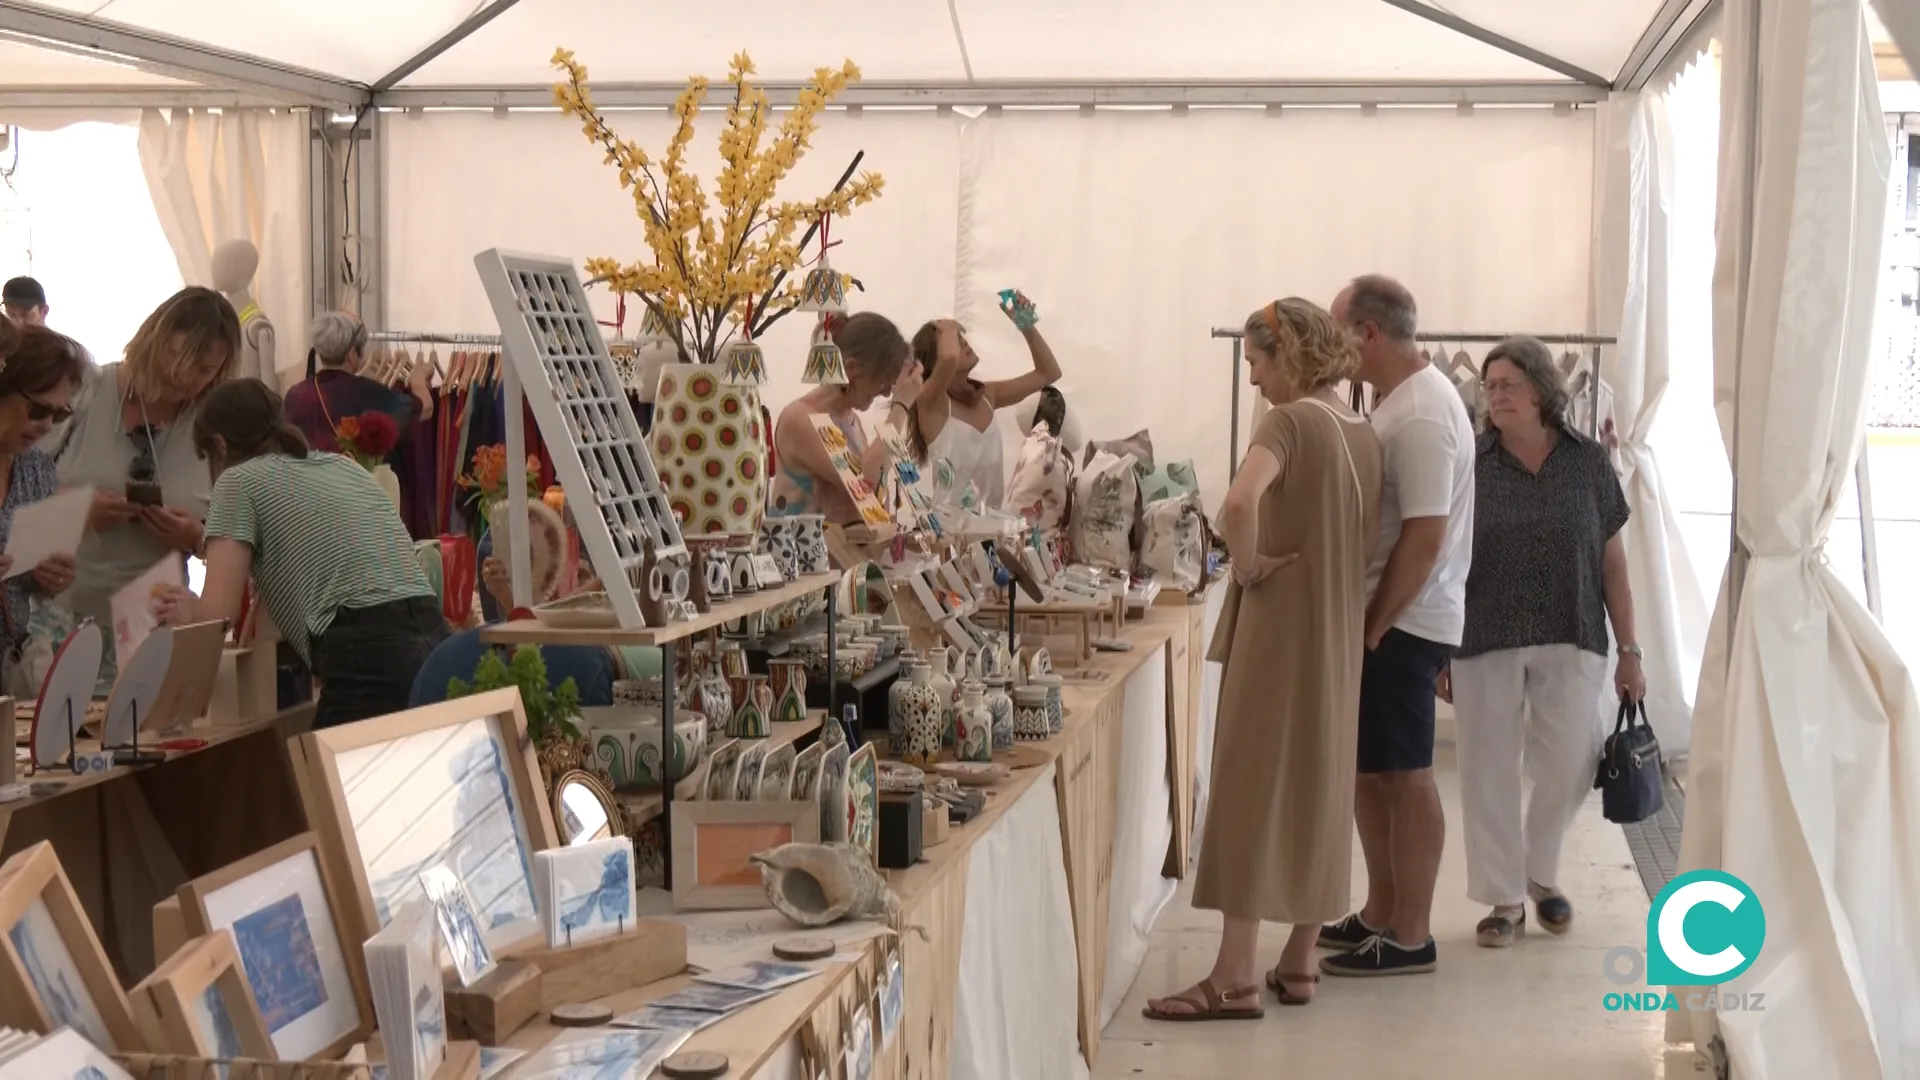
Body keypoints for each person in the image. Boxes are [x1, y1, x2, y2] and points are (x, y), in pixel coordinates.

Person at [1144, 299, 1382, 1020]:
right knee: (1321, 782)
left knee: (1250, 783)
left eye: (1256, 362)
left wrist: (1244, 568)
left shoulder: (1289, 421)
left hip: (1282, 624)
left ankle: (1234, 975)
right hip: (1339, 630)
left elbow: (1239, 504)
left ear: (1287, 355)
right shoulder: (1360, 428)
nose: (1252, 380)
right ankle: (1300, 958)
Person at [1448, 336, 1642, 947]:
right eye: (1490, 385)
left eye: (1508, 384)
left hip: (1573, 627)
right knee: (1486, 768)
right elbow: (1444, 558)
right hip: (1484, 631)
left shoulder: (1587, 462)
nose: (1495, 396)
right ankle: (1506, 898)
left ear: (1541, 391)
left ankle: (1538, 870)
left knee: (1571, 763)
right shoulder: (1470, 463)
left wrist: (1631, 650)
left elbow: (1614, 561)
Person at [1319, 274, 1474, 978]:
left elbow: (1424, 535)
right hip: (1389, 615)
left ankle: (1412, 932)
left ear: (1368, 334)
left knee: (1406, 774)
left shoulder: (1421, 415)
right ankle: (1381, 910)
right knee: (1372, 771)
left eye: (1336, 329)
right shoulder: (1399, 403)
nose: (1332, 345)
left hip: (1405, 620)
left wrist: (1375, 626)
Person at [151, 379, 445, 728]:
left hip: (368, 649)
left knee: (327, 779)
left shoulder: (237, 481)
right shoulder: (344, 466)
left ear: (219, 445)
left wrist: (187, 609)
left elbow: (219, 615)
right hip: (434, 634)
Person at [48, 286, 239, 686]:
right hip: (59, 628)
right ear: (152, 338)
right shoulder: (87, 389)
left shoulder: (215, 425)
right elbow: (15, 494)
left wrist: (195, 537)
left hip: (154, 635)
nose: (184, 376)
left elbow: (238, 534)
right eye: (176, 356)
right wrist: (75, 513)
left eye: (204, 370)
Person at [908, 291, 1062, 509]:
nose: (965, 344)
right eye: (957, 341)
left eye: (963, 338)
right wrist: (948, 326)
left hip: (991, 531)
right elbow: (949, 358)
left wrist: (1025, 323)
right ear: (935, 360)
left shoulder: (987, 395)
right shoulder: (931, 403)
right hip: (950, 534)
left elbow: (1049, 373)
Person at [768, 312, 922, 522]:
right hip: (802, 553)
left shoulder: (851, 420)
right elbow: (866, 487)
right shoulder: (802, 418)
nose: (886, 393)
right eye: (883, 381)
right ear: (851, 369)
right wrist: (901, 405)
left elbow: (876, 502)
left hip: (842, 553)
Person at [0, 321, 84, 693]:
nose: (48, 426)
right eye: (38, 410)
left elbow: (35, 583)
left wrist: (50, 576)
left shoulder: (36, 470)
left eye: (60, 414)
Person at [283, 311, 434, 452]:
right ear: (352, 354)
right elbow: (424, 408)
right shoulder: (367, 393)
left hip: (302, 479)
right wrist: (418, 379)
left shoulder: (295, 395)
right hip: (351, 479)